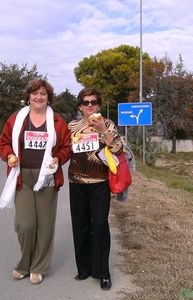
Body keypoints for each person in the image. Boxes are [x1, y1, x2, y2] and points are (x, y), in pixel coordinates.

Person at [0, 79, 71, 285]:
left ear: (49, 98)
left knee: (45, 225)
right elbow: (2, 142)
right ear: (28, 96)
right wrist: (9, 155)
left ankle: (38, 267)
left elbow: (67, 146)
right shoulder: (16, 119)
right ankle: (24, 263)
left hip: (46, 178)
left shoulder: (57, 121)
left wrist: (59, 158)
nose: (39, 97)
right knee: (25, 224)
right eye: (35, 93)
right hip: (23, 177)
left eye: (43, 94)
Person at [68, 87, 123, 291]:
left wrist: (102, 130)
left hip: (100, 183)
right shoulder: (72, 126)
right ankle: (84, 268)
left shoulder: (108, 124)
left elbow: (118, 148)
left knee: (99, 226)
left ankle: (102, 273)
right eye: (85, 102)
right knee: (80, 226)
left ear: (99, 105)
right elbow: (65, 150)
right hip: (76, 183)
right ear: (80, 106)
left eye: (93, 102)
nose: (89, 105)